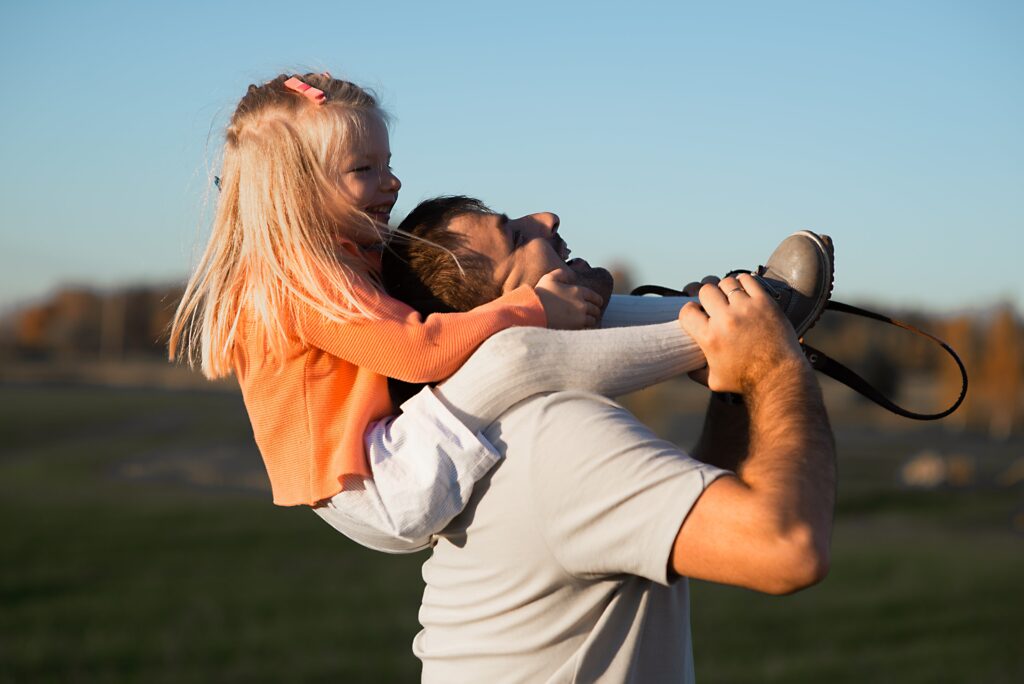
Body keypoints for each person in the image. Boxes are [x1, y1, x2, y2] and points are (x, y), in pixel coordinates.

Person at [168, 72, 724, 554]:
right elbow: (420, 350)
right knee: (516, 352)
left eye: (389, 162)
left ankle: (711, 310)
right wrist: (528, 305)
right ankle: (724, 333)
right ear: (295, 190)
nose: (392, 181)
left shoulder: (340, 255)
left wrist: (552, 295)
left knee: (540, 320)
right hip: (381, 484)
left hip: (386, 466)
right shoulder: (301, 279)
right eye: (364, 168)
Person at [386, 196, 837, 682]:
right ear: (505, 315)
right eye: (516, 238)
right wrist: (775, 361)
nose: (545, 218)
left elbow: (690, 519)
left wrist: (736, 384)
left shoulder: (510, 431)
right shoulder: (554, 433)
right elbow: (788, 550)